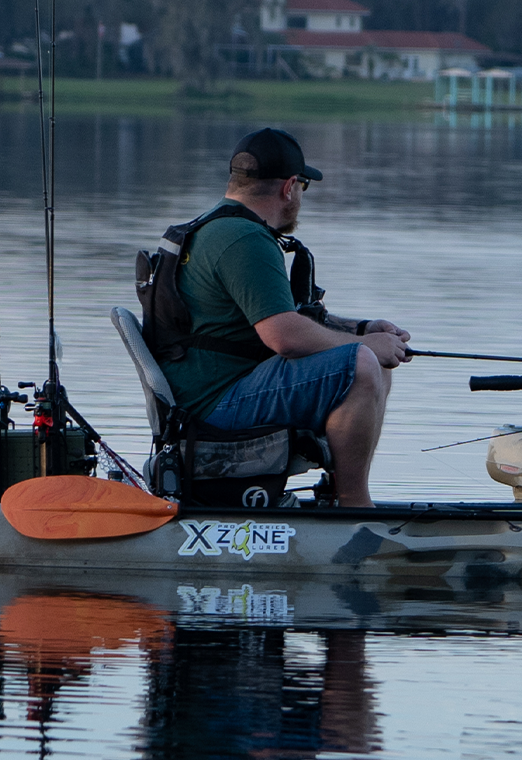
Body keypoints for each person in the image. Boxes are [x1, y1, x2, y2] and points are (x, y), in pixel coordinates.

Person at [156, 128, 410, 507]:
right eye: (303, 187)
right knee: (361, 363)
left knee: (372, 358)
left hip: (207, 394)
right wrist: (363, 345)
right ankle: (354, 505)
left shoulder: (216, 228)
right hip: (215, 407)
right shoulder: (246, 240)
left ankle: (337, 492)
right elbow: (284, 336)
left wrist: (362, 329)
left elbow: (284, 316)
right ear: (290, 187)